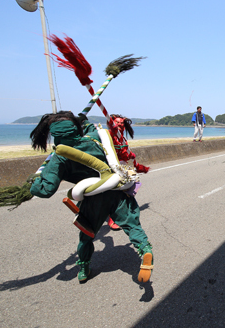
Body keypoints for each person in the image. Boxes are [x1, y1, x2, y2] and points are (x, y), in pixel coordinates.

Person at [28, 111, 154, 283]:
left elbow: (46, 189)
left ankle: (84, 268)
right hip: (116, 191)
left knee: (86, 235)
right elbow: (91, 128)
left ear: (54, 134)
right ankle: (145, 249)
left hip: (93, 200)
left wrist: (34, 182)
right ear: (76, 128)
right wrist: (84, 120)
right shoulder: (93, 138)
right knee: (132, 226)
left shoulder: (59, 158)